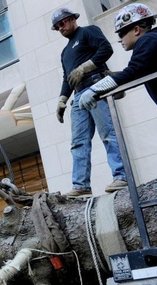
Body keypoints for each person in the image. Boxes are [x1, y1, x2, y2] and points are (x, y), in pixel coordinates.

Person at [52, 7, 127, 198]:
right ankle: (81, 185)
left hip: (95, 85)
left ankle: (121, 176)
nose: (61, 27)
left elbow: (106, 49)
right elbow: (66, 78)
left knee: (108, 133)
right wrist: (62, 99)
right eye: (57, 26)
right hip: (78, 95)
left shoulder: (88, 31)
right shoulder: (64, 52)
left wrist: (85, 67)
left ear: (71, 19)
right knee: (78, 142)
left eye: (63, 22)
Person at [79, 3, 157, 109]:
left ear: (136, 30)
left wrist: (96, 89)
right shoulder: (153, 39)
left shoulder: (147, 40)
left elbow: (133, 71)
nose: (119, 40)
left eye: (121, 33)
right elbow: (138, 70)